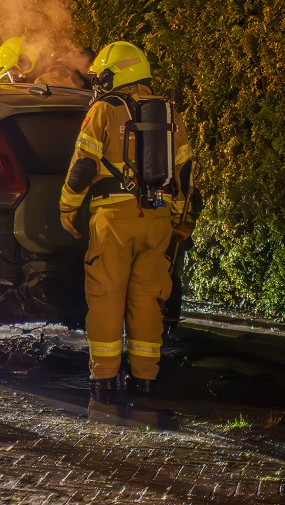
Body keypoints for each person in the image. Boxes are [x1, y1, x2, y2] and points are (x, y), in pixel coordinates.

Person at [58, 41, 195, 400]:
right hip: (159, 220)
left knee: (106, 297)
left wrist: (67, 208)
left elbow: (83, 167)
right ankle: (145, 378)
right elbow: (186, 175)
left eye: (101, 76)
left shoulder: (103, 111)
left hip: (114, 221)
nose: (98, 84)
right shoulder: (170, 113)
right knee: (147, 299)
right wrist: (181, 220)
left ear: (115, 74)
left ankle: (103, 381)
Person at [0, 36, 89, 88]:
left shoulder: (46, 80)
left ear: (26, 59)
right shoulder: (56, 68)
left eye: (15, 73)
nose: (14, 80)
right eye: (9, 77)